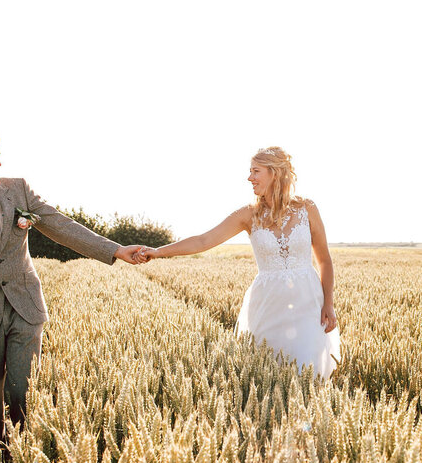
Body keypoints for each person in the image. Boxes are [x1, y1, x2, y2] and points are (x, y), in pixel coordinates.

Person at [0, 125, 146, 451]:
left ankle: (24, 460)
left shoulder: (18, 190)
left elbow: (60, 225)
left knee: (21, 391)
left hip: (26, 306)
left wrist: (114, 249)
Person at [138, 147, 340, 377]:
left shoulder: (308, 209)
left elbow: (324, 260)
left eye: (256, 171)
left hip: (308, 304)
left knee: (308, 372)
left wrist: (328, 304)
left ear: (275, 173)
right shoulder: (248, 215)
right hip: (267, 305)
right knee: (267, 374)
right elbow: (203, 240)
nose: (250, 177)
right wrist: (157, 251)